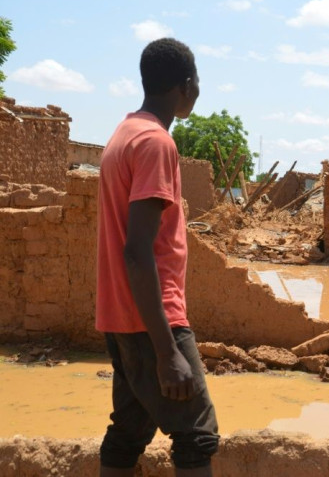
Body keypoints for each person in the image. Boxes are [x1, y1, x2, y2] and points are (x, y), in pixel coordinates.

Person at [96, 38, 219, 476]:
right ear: (186, 85)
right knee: (196, 436)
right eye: (198, 80)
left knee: (128, 431)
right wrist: (168, 351)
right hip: (153, 318)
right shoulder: (155, 143)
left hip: (121, 314)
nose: (199, 89)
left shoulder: (123, 134)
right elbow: (138, 251)